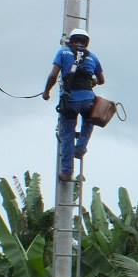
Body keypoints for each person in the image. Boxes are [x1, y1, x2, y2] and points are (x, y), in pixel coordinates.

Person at [42, 28, 105, 181]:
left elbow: (53, 75)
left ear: (71, 40)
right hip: (88, 99)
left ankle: (66, 172)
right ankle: (81, 147)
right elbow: (101, 80)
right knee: (89, 122)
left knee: (67, 135)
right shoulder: (93, 57)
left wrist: (46, 92)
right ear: (86, 42)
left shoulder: (63, 53)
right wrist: (92, 82)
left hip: (70, 101)